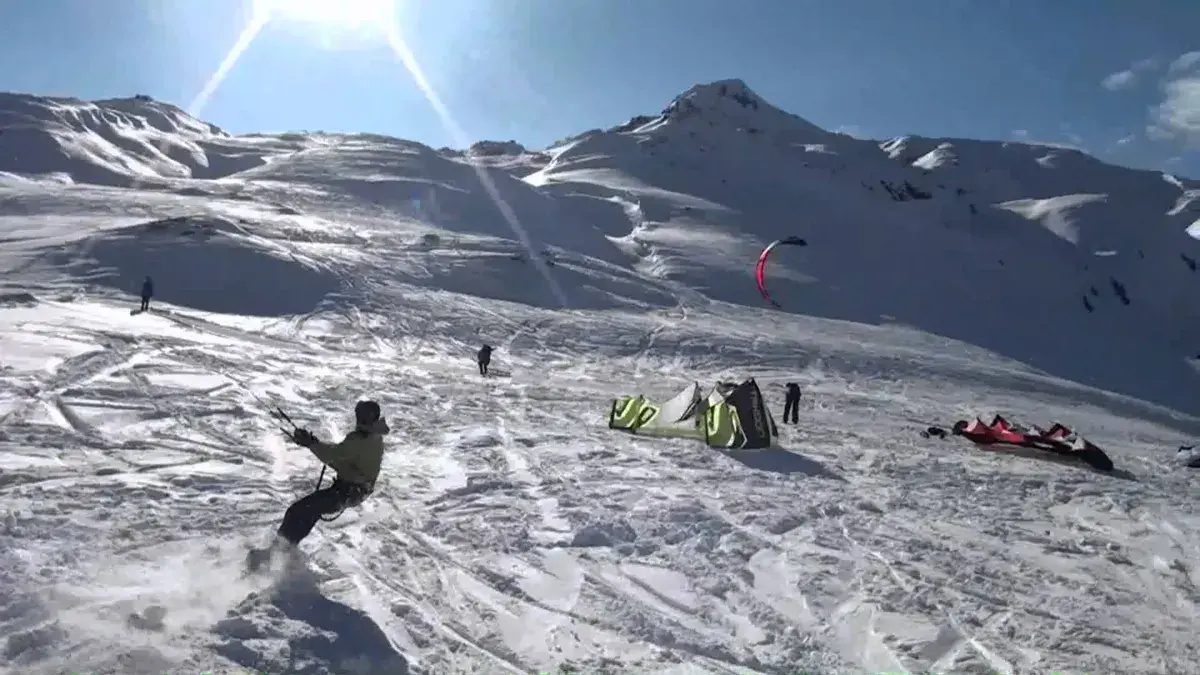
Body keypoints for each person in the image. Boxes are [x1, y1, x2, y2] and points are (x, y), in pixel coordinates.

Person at [246, 400, 390, 572]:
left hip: (348, 491)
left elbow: (333, 455)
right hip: (354, 491)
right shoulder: (374, 437)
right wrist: (313, 443)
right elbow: (344, 459)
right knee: (308, 512)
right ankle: (285, 551)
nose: (359, 419)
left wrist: (310, 444)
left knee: (297, 511)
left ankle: (275, 554)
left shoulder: (360, 439)